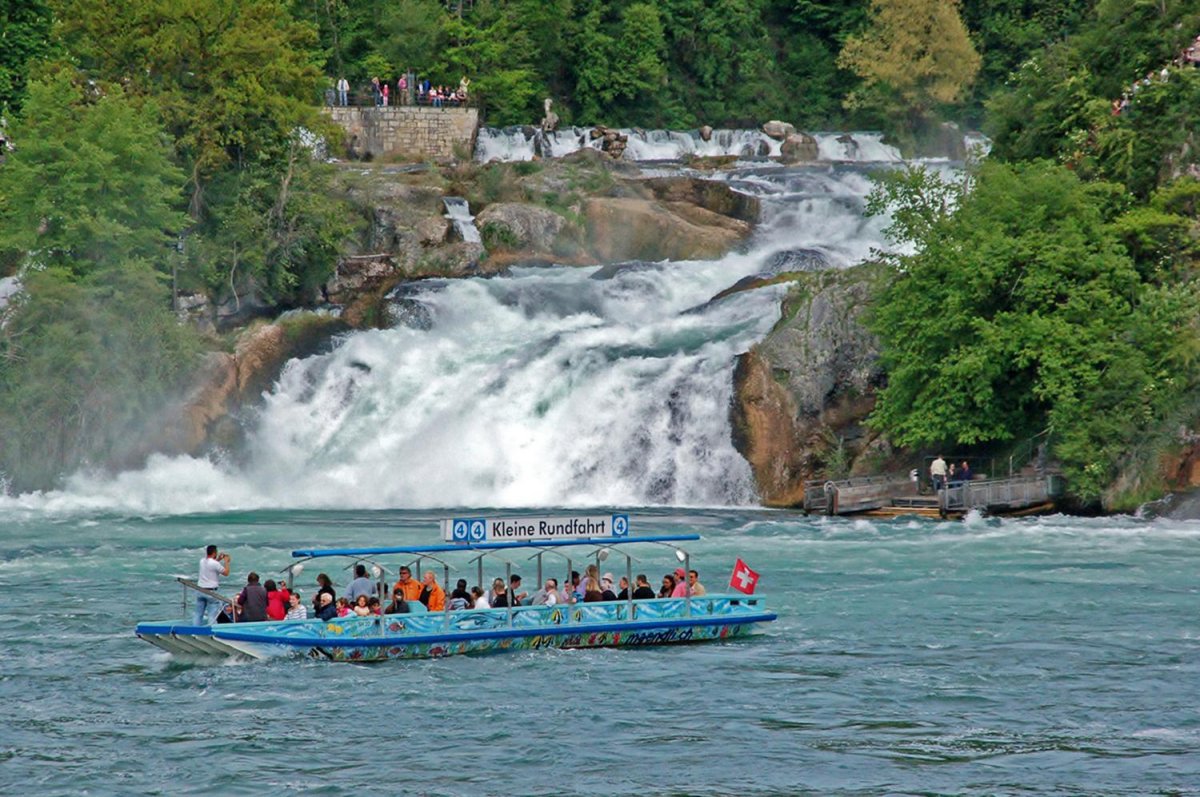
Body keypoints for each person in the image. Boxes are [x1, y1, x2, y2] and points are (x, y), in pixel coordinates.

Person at [193, 544, 231, 626]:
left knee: (198, 614)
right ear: (214, 553)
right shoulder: (215, 564)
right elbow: (226, 573)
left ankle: (195, 630)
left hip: (200, 590)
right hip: (211, 592)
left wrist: (218, 559)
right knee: (212, 614)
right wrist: (226, 562)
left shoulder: (202, 561)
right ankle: (211, 631)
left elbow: (211, 565)